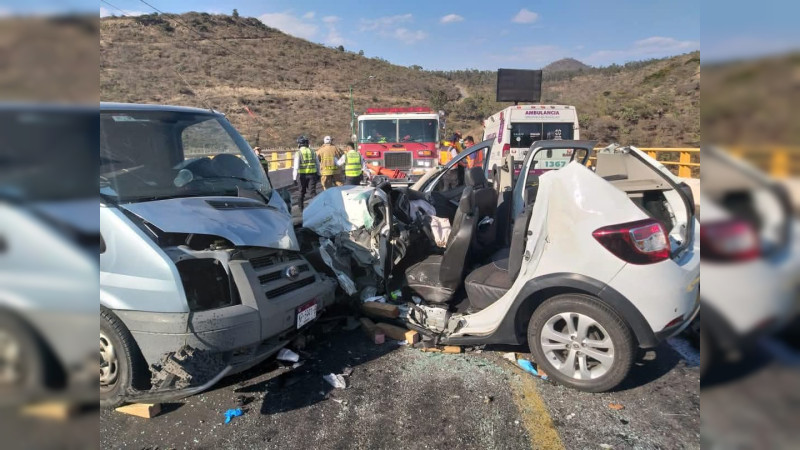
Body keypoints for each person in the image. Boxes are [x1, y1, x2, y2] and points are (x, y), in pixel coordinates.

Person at [293, 135, 319, 209]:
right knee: (313, 192)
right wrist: (319, 174)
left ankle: (301, 209)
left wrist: (294, 178)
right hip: (312, 175)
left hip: (302, 176)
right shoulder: (313, 152)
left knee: (301, 192)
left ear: (300, 144)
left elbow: (296, 167)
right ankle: (317, 208)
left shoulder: (298, 153)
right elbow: (317, 164)